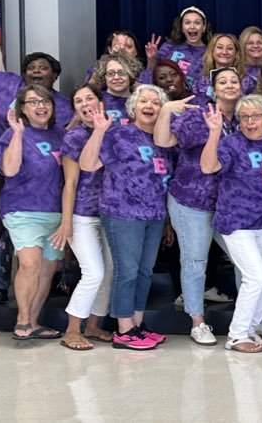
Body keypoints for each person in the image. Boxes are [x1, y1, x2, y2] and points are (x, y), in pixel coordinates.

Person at [154, 67, 246, 346]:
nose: (229, 85)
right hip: (192, 200)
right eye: (223, 81)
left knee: (245, 261)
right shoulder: (199, 115)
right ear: (213, 89)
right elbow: (163, 141)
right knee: (195, 262)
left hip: (227, 203)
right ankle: (197, 321)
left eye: (234, 80)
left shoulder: (244, 117)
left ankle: (249, 319)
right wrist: (166, 110)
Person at [78, 84, 174, 350]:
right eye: (143, 101)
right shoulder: (119, 134)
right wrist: (99, 131)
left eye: (156, 102)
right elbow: (88, 164)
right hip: (123, 214)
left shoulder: (164, 140)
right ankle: (124, 330)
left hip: (154, 215)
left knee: (144, 272)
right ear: (133, 107)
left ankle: (137, 324)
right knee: (127, 272)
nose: (149, 106)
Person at [199, 94, 262, 353]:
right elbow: (208, 167)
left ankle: (251, 327)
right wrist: (214, 132)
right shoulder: (232, 143)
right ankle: (237, 335)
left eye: (255, 116)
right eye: (244, 117)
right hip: (237, 221)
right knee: (255, 277)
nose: (250, 122)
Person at [0, 85, 65, 342]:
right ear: (22, 108)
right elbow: (9, 170)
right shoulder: (12, 135)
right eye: (33, 102)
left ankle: (34, 322)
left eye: (45, 101)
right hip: (22, 210)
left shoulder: (60, 134)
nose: (40, 106)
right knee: (30, 264)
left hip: (55, 212)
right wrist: (17, 134)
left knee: (48, 269)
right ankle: (22, 319)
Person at [56, 87, 116, 350]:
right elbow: (69, 183)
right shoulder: (74, 137)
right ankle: (71, 330)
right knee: (93, 272)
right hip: (82, 215)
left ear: (101, 102)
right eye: (78, 101)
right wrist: (66, 221)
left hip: (112, 214)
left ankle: (93, 325)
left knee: (109, 274)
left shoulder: (115, 132)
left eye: (89, 98)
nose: (85, 104)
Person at [147, 6, 211, 90]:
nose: (192, 26)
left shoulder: (209, 53)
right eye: (187, 23)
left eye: (197, 23)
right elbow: (151, 76)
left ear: (204, 27)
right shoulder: (169, 47)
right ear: (181, 28)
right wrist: (152, 59)